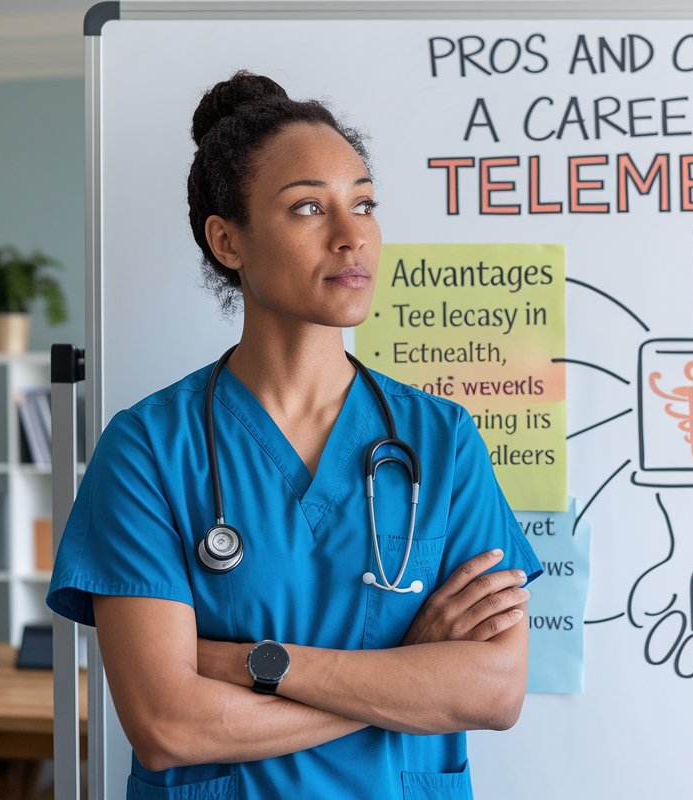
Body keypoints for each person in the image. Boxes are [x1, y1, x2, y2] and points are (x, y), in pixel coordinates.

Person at [47, 71, 542, 800]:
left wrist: (256, 664)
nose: (353, 236)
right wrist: (403, 670)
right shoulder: (149, 450)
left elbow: (494, 691)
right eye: (310, 207)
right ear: (228, 241)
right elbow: (166, 725)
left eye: (364, 203)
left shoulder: (441, 440)